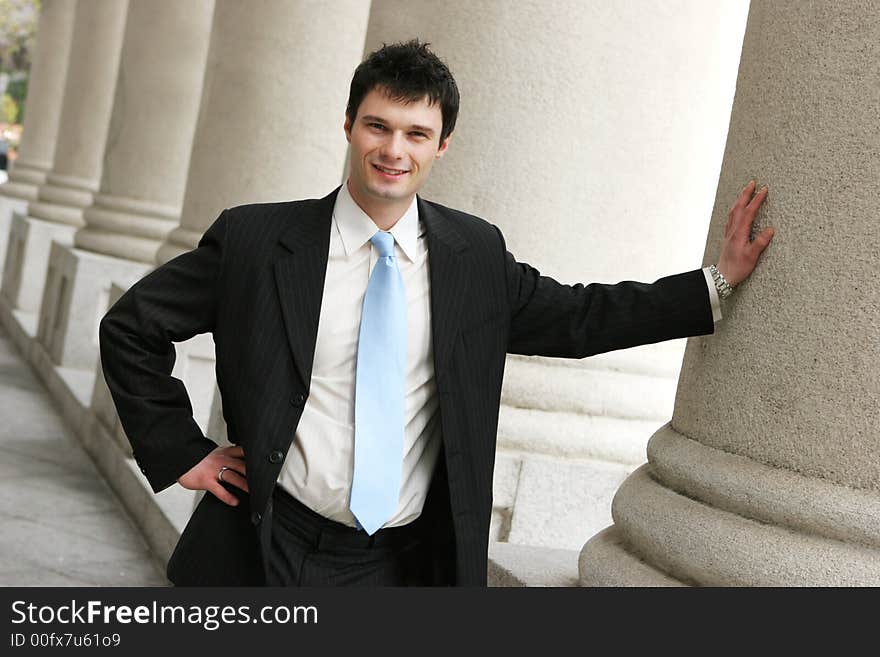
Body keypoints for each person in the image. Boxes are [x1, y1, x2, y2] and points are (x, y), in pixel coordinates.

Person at [98, 40, 774, 587]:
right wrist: (183, 450)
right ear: (349, 126)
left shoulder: (473, 255)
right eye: (378, 126)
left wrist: (715, 282)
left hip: (399, 566)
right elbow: (134, 326)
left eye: (417, 133)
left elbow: (578, 317)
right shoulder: (255, 241)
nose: (395, 150)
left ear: (442, 145)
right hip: (268, 547)